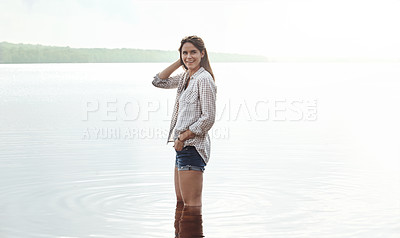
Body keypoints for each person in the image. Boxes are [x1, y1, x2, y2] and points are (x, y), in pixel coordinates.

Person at [152, 35, 217, 207]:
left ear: (202, 53)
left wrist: (182, 138)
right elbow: (158, 81)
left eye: (193, 52)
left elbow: (208, 118)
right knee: (181, 204)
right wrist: (181, 61)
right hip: (182, 148)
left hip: (192, 147)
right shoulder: (185, 77)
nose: (189, 56)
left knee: (192, 207)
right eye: (185, 53)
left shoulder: (204, 79)